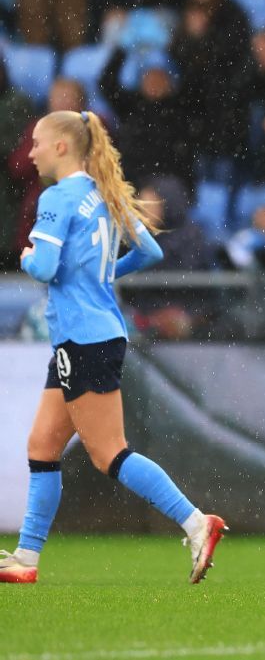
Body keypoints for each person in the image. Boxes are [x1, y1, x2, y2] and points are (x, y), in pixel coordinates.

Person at [0, 111, 225, 585]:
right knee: (43, 445)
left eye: (38, 142)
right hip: (88, 335)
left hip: (85, 337)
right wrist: (102, 277)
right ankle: (25, 558)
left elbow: (41, 267)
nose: (32, 151)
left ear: (63, 147)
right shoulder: (103, 191)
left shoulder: (57, 196)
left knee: (109, 454)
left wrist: (24, 255)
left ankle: (196, 523)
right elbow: (150, 252)